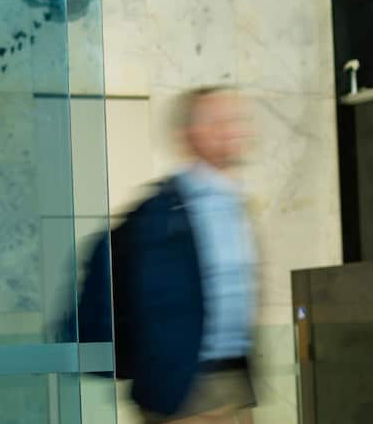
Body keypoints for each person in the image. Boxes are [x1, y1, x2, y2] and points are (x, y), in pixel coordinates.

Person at [105, 86, 260, 424]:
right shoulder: (160, 212)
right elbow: (138, 298)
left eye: (233, 120)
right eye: (216, 122)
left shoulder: (236, 204)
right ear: (188, 134)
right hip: (183, 388)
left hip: (233, 381)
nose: (230, 130)